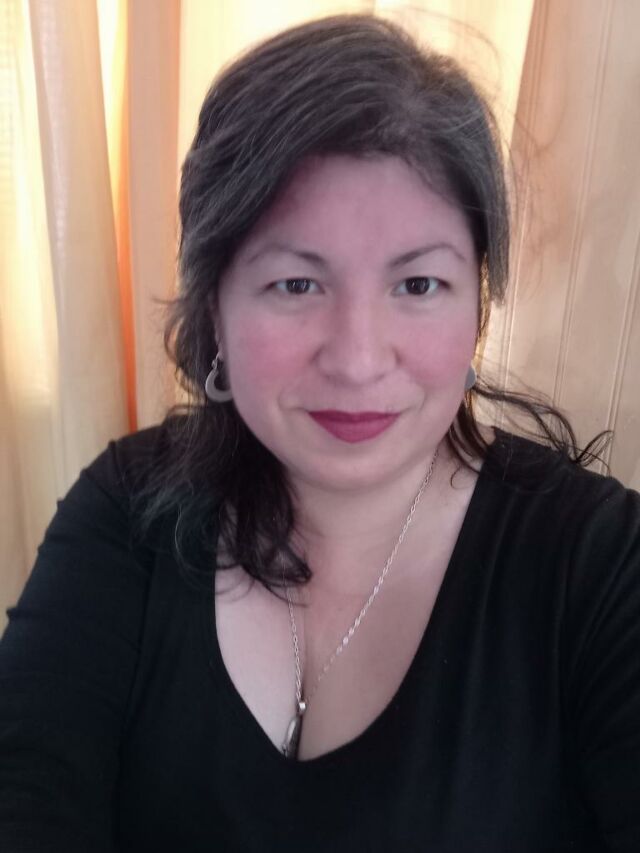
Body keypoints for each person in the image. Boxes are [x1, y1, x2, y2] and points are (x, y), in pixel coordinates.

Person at [1, 13, 639, 853]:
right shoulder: (128, 510)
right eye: (297, 284)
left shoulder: (598, 563)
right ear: (214, 304)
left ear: (478, 305)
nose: (359, 359)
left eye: (419, 284)